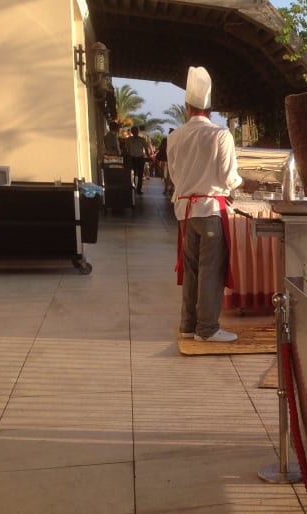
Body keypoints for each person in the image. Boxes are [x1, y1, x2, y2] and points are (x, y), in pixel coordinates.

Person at [167, 66, 242, 343]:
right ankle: (207, 329)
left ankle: (188, 325)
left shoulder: (174, 136)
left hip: (185, 213)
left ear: (187, 107)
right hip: (210, 211)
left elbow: (175, 176)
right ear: (210, 109)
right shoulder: (221, 135)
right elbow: (229, 177)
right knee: (211, 270)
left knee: (191, 270)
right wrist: (241, 183)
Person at [124, 126, 149, 194]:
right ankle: (133, 187)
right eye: (133, 131)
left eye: (136, 131)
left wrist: (148, 156)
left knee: (140, 175)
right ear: (132, 132)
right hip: (132, 158)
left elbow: (146, 148)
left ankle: (139, 189)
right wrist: (127, 156)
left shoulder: (142, 139)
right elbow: (126, 149)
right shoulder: (129, 139)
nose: (135, 132)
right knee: (132, 174)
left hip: (140, 158)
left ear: (138, 132)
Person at [156, 129, 174, 195]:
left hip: (167, 160)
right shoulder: (177, 140)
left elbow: (160, 148)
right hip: (172, 160)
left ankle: (167, 189)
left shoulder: (165, 140)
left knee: (167, 176)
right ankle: (170, 188)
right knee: (171, 175)